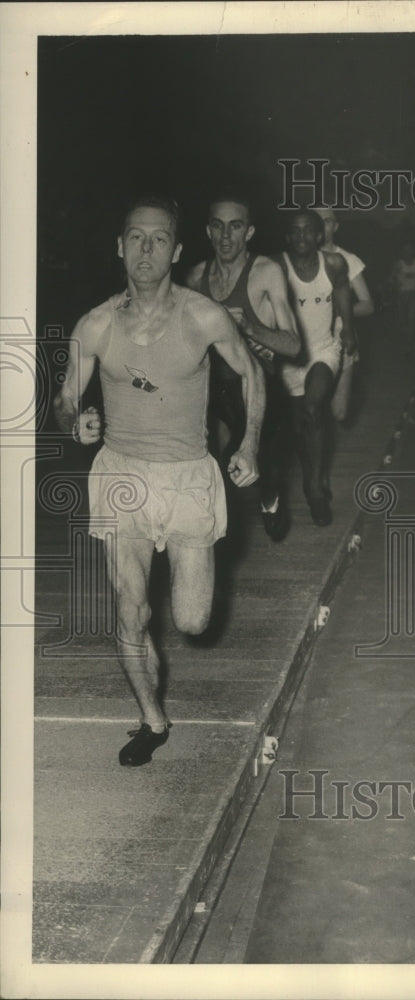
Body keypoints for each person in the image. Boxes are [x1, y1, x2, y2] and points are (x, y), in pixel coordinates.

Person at [53, 195, 264, 767]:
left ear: (176, 249)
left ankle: (163, 655)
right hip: (122, 475)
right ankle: (151, 718)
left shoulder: (202, 316)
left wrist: (248, 443)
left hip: (188, 476)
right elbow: (66, 397)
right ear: (119, 247)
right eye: (135, 238)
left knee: (192, 620)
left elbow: (251, 372)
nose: (146, 249)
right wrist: (76, 423)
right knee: (130, 609)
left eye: (158, 239)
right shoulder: (95, 325)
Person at [186, 195, 300, 542]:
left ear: (248, 232)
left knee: (263, 462)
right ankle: (210, 523)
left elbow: (294, 345)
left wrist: (249, 329)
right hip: (215, 389)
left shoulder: (266, 272)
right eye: (218, 226)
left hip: (260, 383)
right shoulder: (196, 277)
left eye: (235, 226)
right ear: (208, 231)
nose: (225, 236)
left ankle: (270, 495)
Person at [277, 209, 356, 526]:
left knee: (313, 407)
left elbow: (342, 292)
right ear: (287, 236)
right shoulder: (276, 267)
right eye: (295, 231)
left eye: (308, 231)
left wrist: (348, 328)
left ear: (319, 235)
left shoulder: (334, 264)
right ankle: (317, 475)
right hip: (290, 357)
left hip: (324, 349)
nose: (301, 237)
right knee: (300, 429)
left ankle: (314, 489)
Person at [315, 207, 374, 422]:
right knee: (311, 409)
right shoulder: (299, 259)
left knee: (338, 412)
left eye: (327, 221)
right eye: (316, 221)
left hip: (341, 339)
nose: (322, 226)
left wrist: (336, 310)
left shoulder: (348, 259)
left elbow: (368, 305)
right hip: (309, 341)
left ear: (336, 226)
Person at [389, 241, 415, 334]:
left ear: (413, 251)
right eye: (405, 250)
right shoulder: (398, 264)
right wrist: (395, 284)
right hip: (402, 294)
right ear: (402, 251)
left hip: (414, 293)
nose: (408, 252)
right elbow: (391, 278)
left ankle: (410, 339)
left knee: (412, 318)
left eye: (410, 250)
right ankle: (402, 336)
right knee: (402, 318)